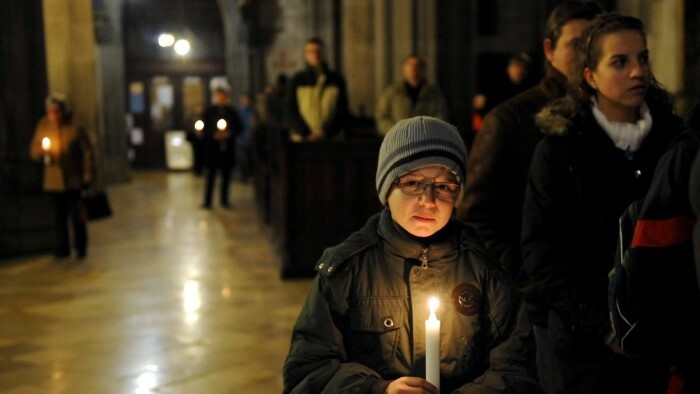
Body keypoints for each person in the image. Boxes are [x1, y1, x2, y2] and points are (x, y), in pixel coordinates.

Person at [283, 116, 539, 393]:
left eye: (443, 186)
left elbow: (516, 370)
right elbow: (307, 374)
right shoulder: (346, 270)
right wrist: (376, 389)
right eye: (413, 183)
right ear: (385, 188)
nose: (428, 200)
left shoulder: (485, 270)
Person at [521, 13, 684, 393]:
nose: (637, 71)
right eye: (620, 62)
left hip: (664, 347)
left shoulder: (673, 142)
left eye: (642, 58)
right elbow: (542, 252)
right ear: (590, 76)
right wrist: (605, 328)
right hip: (588, 353)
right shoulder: (561, 150)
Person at [457, 1, 603, 391]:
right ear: (549, 50)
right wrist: (526, 282)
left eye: (595, 44)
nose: (586, 55)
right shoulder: (510, 120)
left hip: (600, 309)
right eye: (576, 44)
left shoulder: (610, 114)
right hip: (540, 310)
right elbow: (476, 216)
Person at [30, 94, 95, 259]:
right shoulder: (43, 126)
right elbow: (34, 150)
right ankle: (62, 248)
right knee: (59, 217)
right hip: (54, 180)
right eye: (50, 112)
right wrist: (43, 152)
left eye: (56, 111)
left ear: (63, 111)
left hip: (74, 178)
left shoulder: (74, 126)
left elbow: (87, 151)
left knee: (77, 215)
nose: (53, 115)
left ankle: (81, 247)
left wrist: (87, 174)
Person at [286, 37, 350, 142]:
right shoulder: (297, 81)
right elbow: (290, 110)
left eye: (318, 51)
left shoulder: (336, 80)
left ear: (324, 53)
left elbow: (341, 110)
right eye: (311, 51)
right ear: (305, 55)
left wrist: (326, 132)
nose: (315, 54)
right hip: (302, 140)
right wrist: (305, 132)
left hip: (329, 140)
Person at [375, 54, 448, 135]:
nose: (413, 68)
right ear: (404, 68)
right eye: (410, 65)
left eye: (417, 65)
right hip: (398, 139)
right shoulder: (392, 92)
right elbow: (382, 117)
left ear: (423, 69)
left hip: (425, 138)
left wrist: (425, 131)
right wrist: (396, 131)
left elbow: (441, 116)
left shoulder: (434, 94)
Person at [200, 87, 242, 209]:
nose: (220, 98)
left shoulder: (232, 112)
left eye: (223, 96)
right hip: (212, 149)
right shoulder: (209, 111)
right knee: (211, 176)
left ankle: (224, 200)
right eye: (218, 96)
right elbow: (203, 127)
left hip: (227, 149)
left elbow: (238, 127)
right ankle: (208, 201)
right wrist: (214, 135)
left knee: (226, 176)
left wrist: (229, 133)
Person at [236, 92, 257, 183]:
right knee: (243, 159)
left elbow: (255, 124)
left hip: (252, 140)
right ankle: (244, 176)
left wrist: (251, 133)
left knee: (252, 158)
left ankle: (251, 175)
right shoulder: (239, 112)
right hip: (242, 140)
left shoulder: (254, 112)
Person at [185, 102, 205, 176]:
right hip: (195, 139)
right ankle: (197, 169)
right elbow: (188, 127)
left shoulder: (204, 117)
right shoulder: (192, 117)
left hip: (203, 139)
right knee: (196, 154)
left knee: (202, 154)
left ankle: (202, 168)